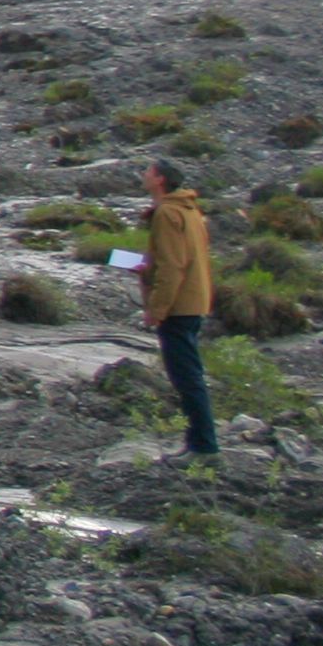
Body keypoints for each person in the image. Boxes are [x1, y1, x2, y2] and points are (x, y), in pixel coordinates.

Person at [138, 158, 218, 456]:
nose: (144, 174)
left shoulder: (168, 213)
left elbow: (173, 266)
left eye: (148, 170)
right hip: (193, 301)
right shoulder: (189, 210)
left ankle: (204, 448)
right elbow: (170, 260)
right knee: (189, 376)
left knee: (187, 379)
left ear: (159, 179)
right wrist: (130, 262)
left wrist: (156, 309)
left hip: (179, 306)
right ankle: (199, 444)